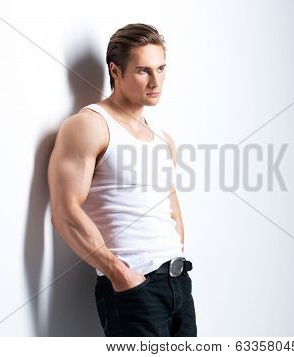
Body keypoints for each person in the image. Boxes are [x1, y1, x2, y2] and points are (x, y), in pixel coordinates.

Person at [47, 23, 197, 337]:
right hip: (134, 287)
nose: (156, 81)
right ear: (116, 70)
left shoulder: (163, 139)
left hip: (179, 283)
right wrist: (118, 272)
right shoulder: (89, 126)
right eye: (144, 70)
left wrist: (176, 252)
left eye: (161, 68)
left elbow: (169, 204)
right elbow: (64, 212)